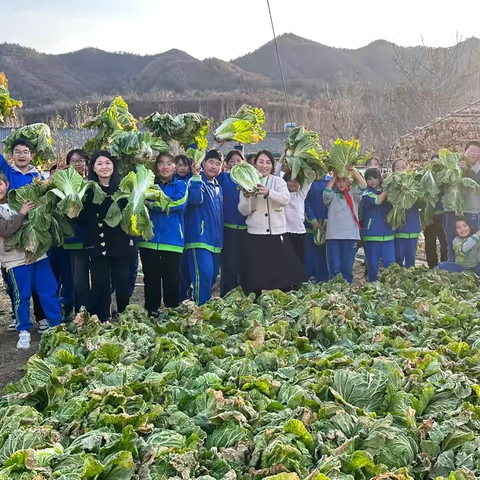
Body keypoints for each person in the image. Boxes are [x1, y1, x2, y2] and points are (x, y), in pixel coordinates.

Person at [0, 173, 61, 349]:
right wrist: (22, 213)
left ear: (6, 184)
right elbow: (6, 230)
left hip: (37, 253)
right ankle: (24, 330)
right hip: (14, 259)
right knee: (22, 295)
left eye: (0, 183)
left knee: (48, 290)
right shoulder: (21, 207)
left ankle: (55, 325)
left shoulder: (18, 200)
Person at [80, 151, 136, 322]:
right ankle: (102, 317)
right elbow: (81, 217)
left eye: (108, 163)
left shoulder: (124, 188)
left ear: (113, 166)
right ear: (93, 168)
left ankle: (124, 316)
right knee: (100, 284)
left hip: (121, 242)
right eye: (100, 164)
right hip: (98, 243)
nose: (104, 167)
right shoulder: (86, 190)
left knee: (122, 284)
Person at [0, 138, 48, 333]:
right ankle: (18, 316)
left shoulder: (38, 176)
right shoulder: (8, 173)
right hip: (11, 237)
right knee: (13, 282)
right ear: (11, 155)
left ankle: (41, 316)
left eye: (25, 151)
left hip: (33, 232)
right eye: (17, 151)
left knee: (37, 280)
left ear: (32, 155)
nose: (21, 155)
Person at [239, 150, 299, 296]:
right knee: (257, 274)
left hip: (276, 234)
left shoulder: (278, 181)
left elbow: (285, 199)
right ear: (254, 164)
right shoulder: (246, 182)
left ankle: (279, 303)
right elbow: (243, 210)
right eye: (261, 162)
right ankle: (256, 302)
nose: (264, 166)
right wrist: (247, 196)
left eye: (268, 162)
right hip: (256, 234)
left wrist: (268, 192)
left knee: (279, 273)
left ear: (272, 165)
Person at [139, 153, 188, 315]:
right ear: (156, 167)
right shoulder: (147, 185)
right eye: (161, 163)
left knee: (172, 278)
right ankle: (152, 310)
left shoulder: (181, 185)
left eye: (169, 163)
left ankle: (171, 311)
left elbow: (177, 204)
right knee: (151, 278)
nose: (165, 167)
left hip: (173, 241)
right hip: (148, 239)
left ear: (175, 167)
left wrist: (151, 204)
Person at [180, 149, 223, 305]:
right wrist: (196, 176)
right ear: (202, 163)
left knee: (211, 278)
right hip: (199, 239)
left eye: (218, 164)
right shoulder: (195, 181)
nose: (213, 166)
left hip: (216, 242)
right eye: (210, 162)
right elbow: (195, 199)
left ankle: (199, 303)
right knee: (203, 276)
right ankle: (201, 310)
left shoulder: (218, 187)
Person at [323, 167, 367, 283]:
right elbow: (326, 192)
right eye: (339, 181)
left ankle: (346, 289)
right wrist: (334, 177)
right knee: (334, 266)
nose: (341, 184)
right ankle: (334, 289)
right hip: (333, 236)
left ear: (349, 181)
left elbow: (363, 185)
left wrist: (352, 170)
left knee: (347, 266)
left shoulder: (354, 195)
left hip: (350, 236)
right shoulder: (332, 196)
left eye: (344, 180)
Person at [62, 149, 91, 315]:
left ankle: (96, 309)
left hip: (92, 237)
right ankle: (82, 311)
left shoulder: (91, 182)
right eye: (73, 161)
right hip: (73, 237)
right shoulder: (63, 183)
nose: (78, 164)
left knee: (97, 278)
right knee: (78, 279)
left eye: (80, 160)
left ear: (86, 163)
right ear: (68, 164)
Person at [217, 149, 247, 296]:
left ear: (244, 163)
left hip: (246, 230)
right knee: (229, 265)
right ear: (227, 165)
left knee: (243, 265)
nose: (235, 164)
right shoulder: (224, 178)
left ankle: (243, 296)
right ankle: (226, 295)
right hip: (228, 229)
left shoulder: (249, 180)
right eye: (232, 161)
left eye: (238, 161)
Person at [443, 142, 480, 261]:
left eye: (476, 151)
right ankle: (452, 268)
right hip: (451, 209)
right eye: (470, 150)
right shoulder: (451, 166)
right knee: (452, 241)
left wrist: (468, 170)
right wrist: (455, 169)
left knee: (472, 244)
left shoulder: (478, 170)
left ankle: (471, 271)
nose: (473, 153)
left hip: (471, 210)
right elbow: (440, 182)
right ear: (464, 151)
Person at [279, 170, 312, 289]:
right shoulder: (281, 195)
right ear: (285, 182)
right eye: (290, 180)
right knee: (285, 260)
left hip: (299, 233)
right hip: (284, 232)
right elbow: (276, 174)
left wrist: (302, 165)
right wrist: (281, 159)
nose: (293, 183)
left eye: (296, 181)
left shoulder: (301, 194)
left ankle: (297, 285)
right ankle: (285, 286)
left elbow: (309, 180)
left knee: (299, 259)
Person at [362, 168, 395, 282]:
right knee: (372, 265)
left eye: (375, 178)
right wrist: (387, 187)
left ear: (380, 179)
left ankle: (389, 288)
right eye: (369, 179)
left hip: (388, 235)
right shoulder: (367, 193)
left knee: (389, 265)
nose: (372, 181)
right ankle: (372, 285)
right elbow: (377, 201)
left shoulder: (388, 193)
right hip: (372, 235)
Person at [391, 159, 421, 268]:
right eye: (397, 168)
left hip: (412, 228)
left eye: (403, 167)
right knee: (398, 257)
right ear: (393, 171)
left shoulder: (415, 184)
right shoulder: (390, 186)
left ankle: (410, 280)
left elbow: (422, 203)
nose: (401, 170)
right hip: (397, 229)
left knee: (411, 259)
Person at [304, 173, 330, 282]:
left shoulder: (330, 181)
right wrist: (313, 220)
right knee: (310, 256)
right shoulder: (307, 180)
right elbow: (305, 201)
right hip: (309, 226)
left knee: (324, 257)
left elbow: (331, 201)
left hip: (327, 226)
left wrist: (327, 219)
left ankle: (323, 282)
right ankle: (308, 281)